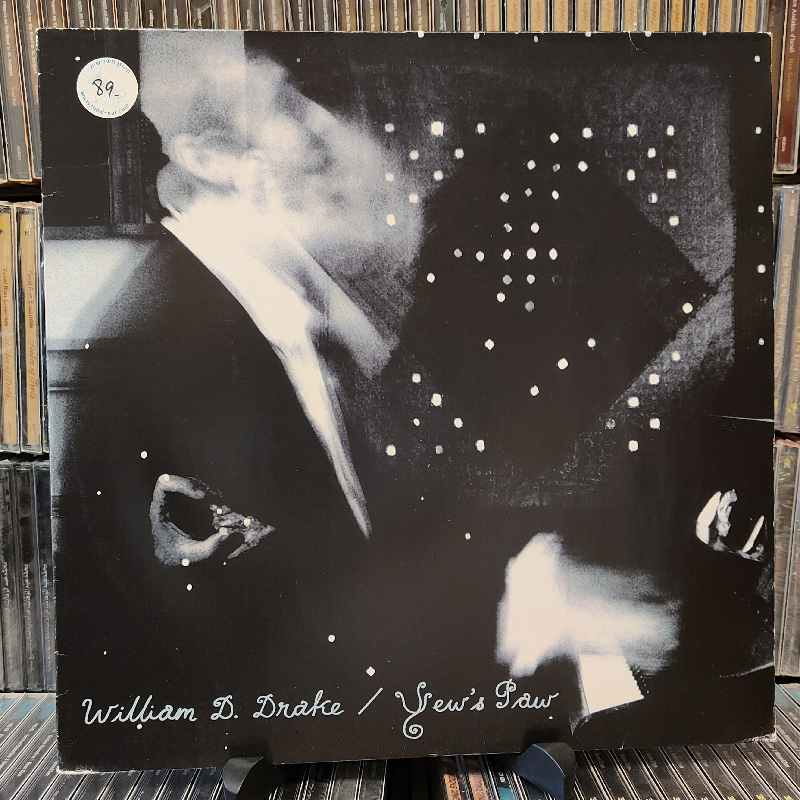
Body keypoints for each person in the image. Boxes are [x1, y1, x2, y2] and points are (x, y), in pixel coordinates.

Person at [54, 34, 772, 768]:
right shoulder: (160, 353)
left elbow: (352, 545)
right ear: (210, 158)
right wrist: (523, 611)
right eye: (284, 106)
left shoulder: (292, 313)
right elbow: (278, 643)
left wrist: (527, 583)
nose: (324, 128)